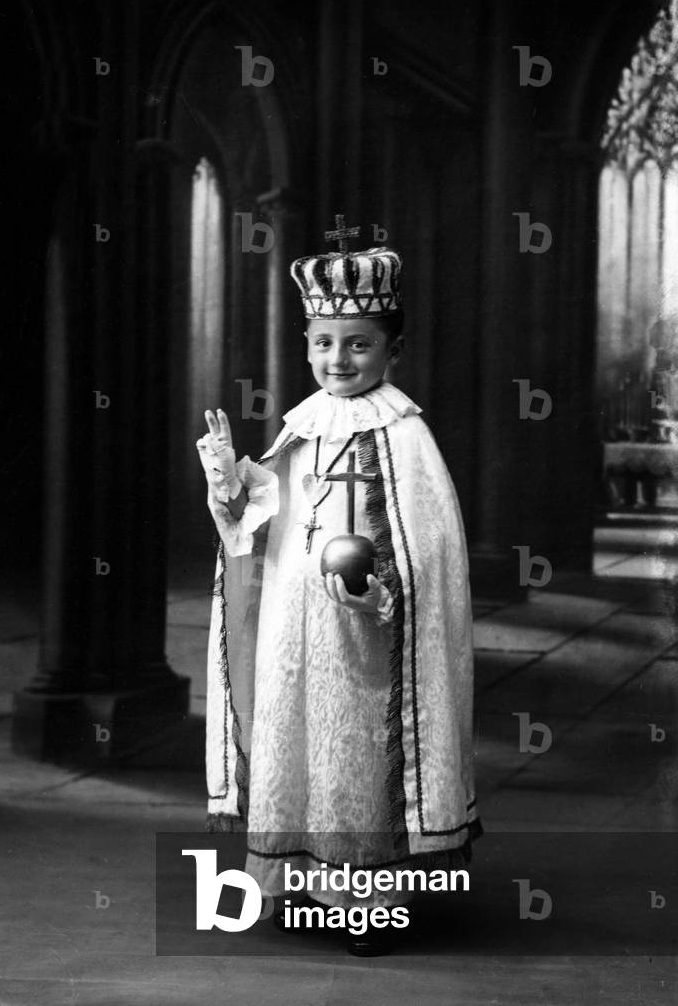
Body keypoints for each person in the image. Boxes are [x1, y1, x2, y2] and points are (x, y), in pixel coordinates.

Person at [196, 235, 481, 955]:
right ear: (307, 342)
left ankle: (369, 901)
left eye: (357, 344)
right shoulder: (303, 425)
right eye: (324, 342)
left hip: (366, 642)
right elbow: (255, 526)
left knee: (355, 758)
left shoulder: (406, 436)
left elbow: (431, 550)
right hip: (296, 630)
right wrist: (229, 480)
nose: (337, 360)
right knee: (301, 748)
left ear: (392, 350)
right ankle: (306, 884)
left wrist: (380, 591)